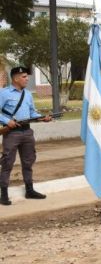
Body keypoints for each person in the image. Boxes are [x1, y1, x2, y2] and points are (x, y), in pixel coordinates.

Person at [0, 67, 52, 206]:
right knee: (7, 163)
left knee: (28, 162)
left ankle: (30, 190)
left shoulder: (28, 94)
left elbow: (32, 113)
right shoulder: (3, 93)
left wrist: (42, 118)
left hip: (27, 132)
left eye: (26, 76)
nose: (27, 79)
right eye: (24, 76)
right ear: (16, 78)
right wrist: (7, 121)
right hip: (11, 133)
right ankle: (3, 194)